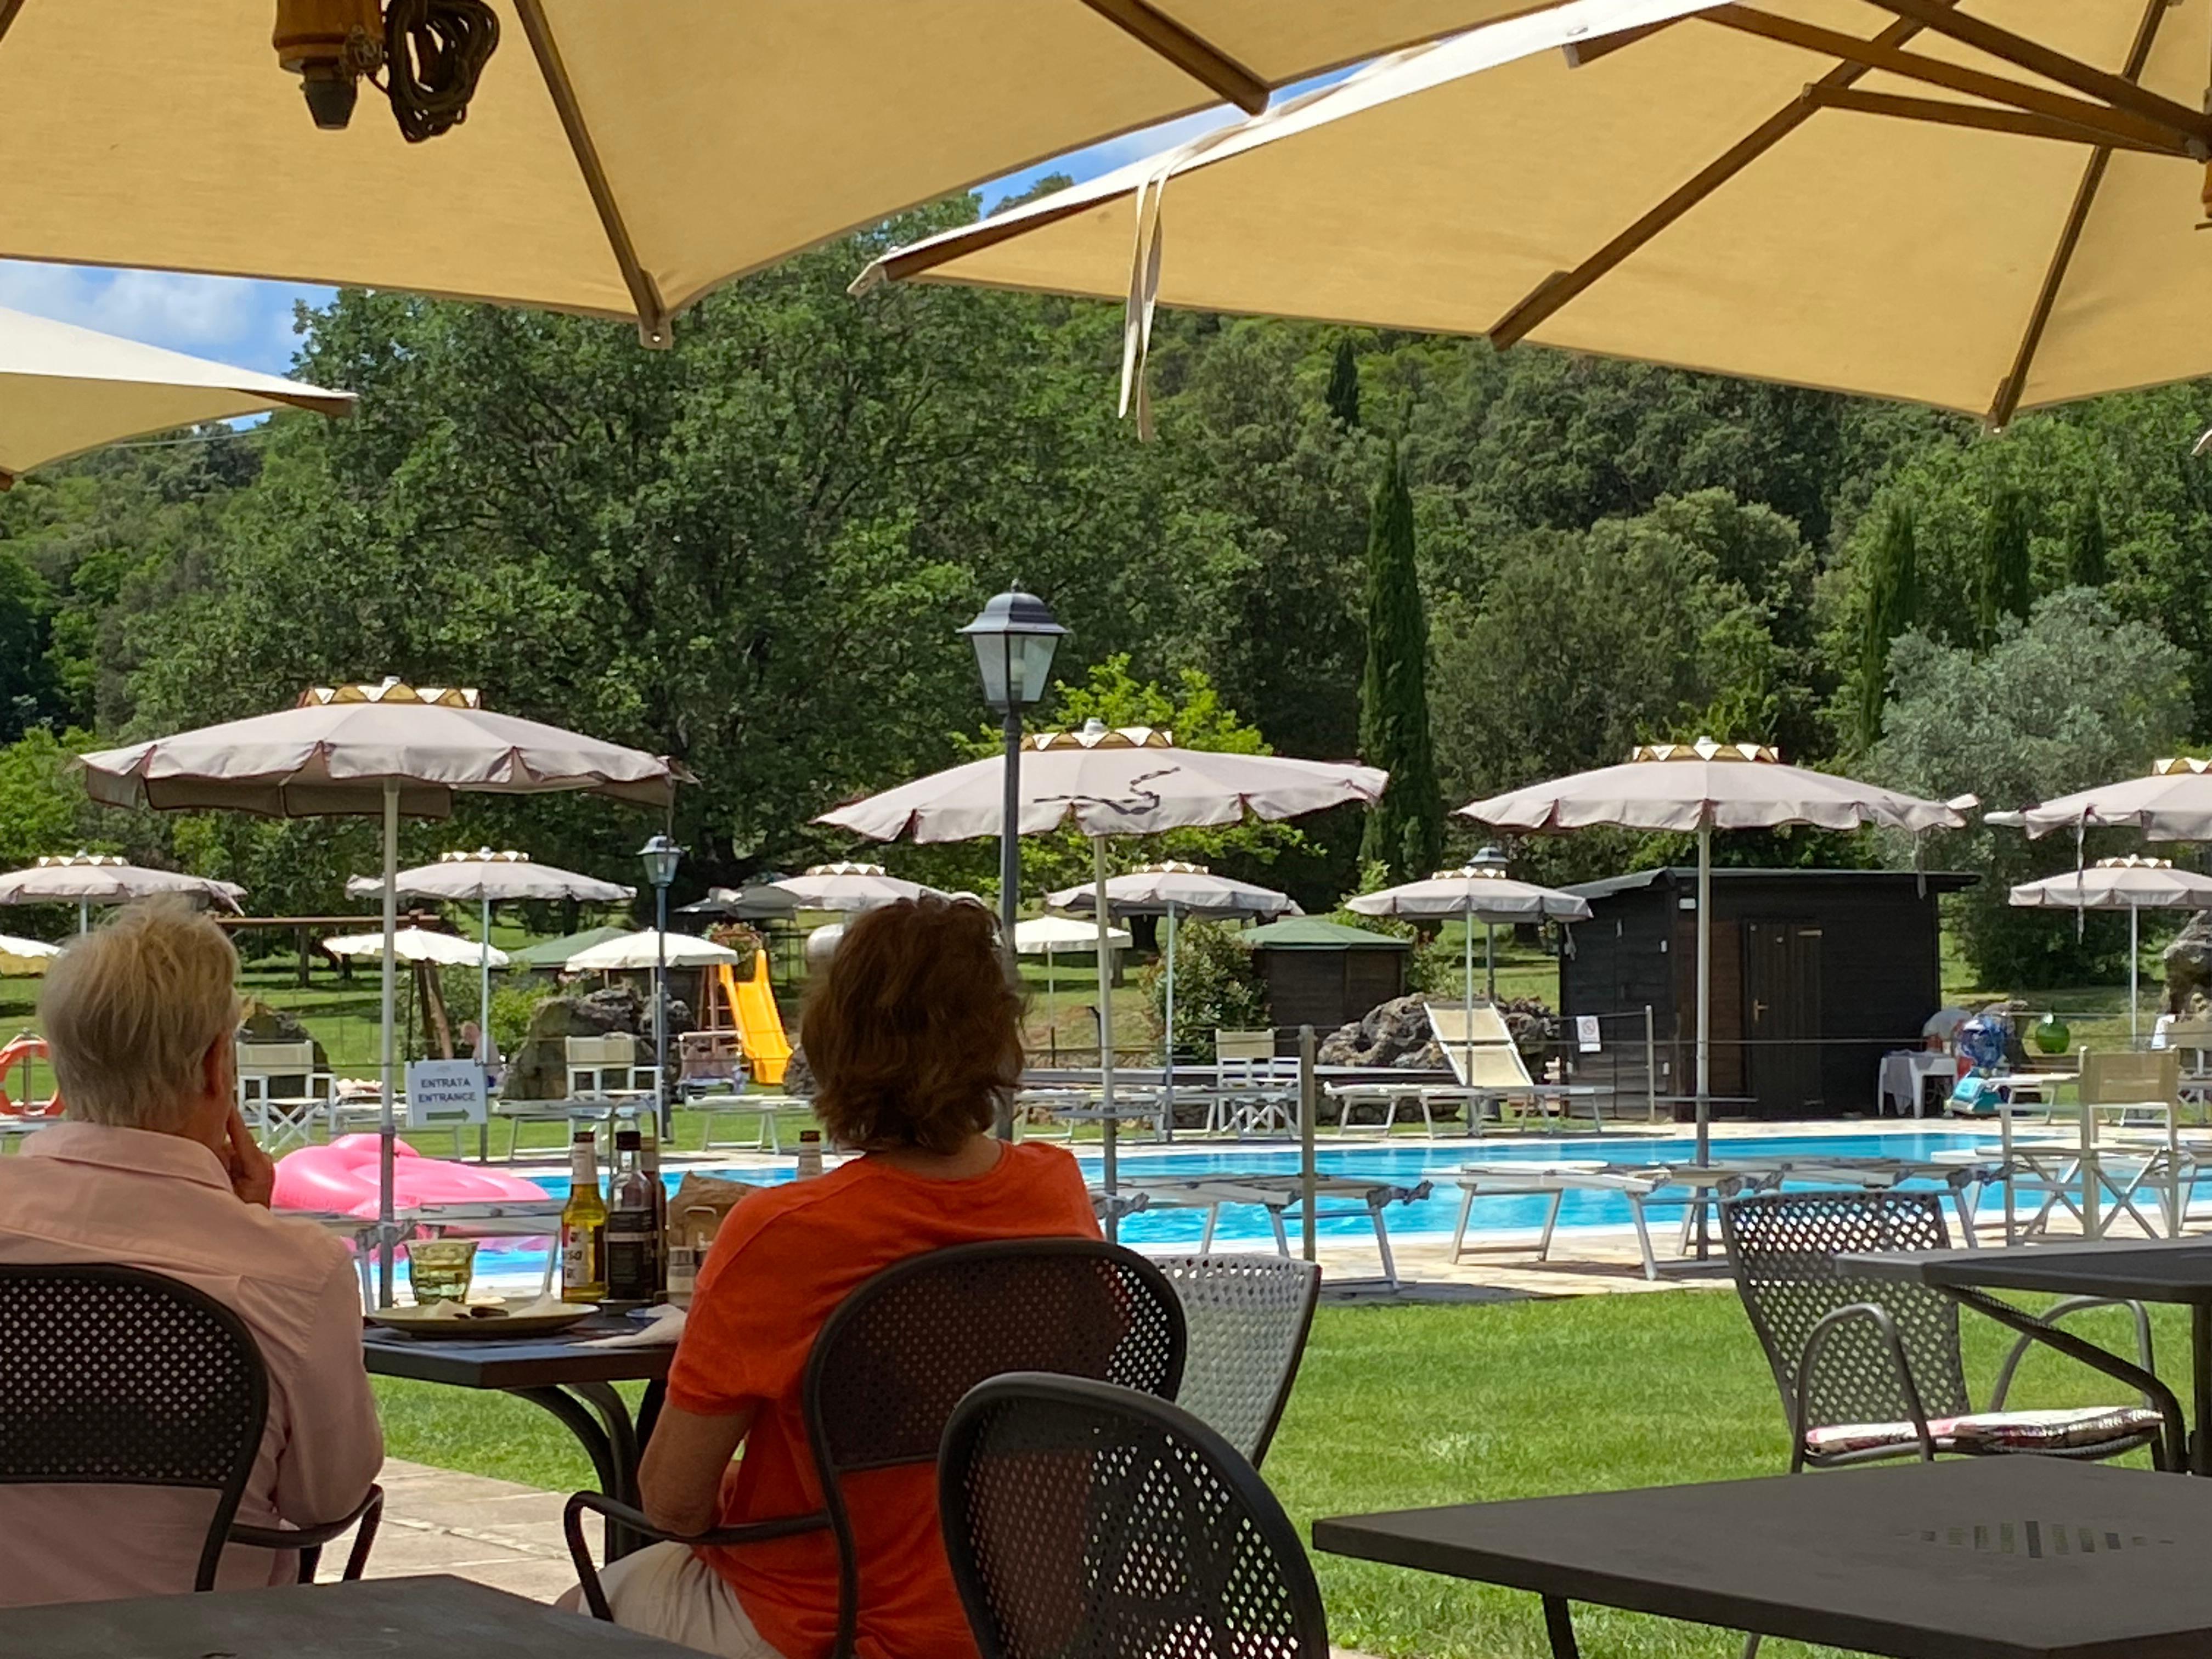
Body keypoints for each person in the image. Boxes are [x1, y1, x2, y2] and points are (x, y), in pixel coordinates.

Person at [572, 896, 1098, 1658]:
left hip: (833, 1622)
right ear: (999, 1038)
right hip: (1025, 1623)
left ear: (833, 1040)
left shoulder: (789, 1232)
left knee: (566, 1615)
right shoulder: (1056, 1193)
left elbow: (675, 1503)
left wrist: (742, 1497)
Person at [0, 898, 382, 1605]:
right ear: (216, 1066)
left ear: (59, 1068)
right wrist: (252, 1234)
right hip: (199, 1639)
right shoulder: (293, 1272)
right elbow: (330, 1501)